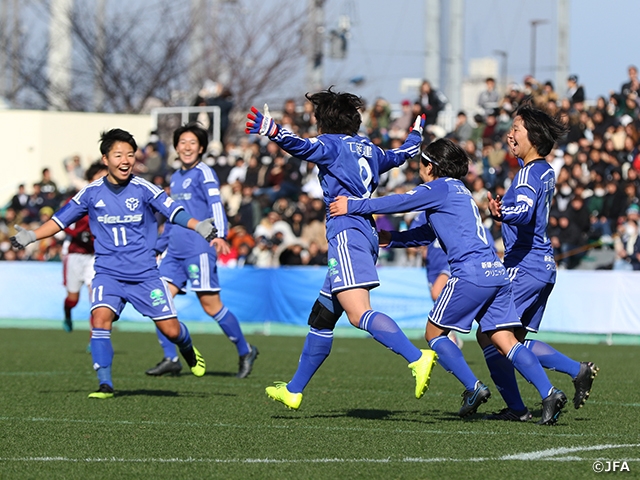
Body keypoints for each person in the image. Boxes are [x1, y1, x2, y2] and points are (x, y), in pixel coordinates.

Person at [330, 138, 567, 425]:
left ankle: (473, 387)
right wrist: (392, 238)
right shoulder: (459, 190)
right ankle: (548, 393)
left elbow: (402, 201)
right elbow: (426, 235)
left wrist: (353, 205)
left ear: (430, 166)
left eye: (421, 162)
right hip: (495, 272)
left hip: (470, 273)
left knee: (433, 334)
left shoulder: (438, 188)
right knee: (505, 340)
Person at [245, 87, 437, 410]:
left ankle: (417, 357)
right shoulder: (369, 149)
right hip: (364, 232)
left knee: (358, 312)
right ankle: (294, 390)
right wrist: (416, 133)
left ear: (324, 123)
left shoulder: (330, 144)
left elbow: (302, 147)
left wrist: (271, 129)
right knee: (322, 317)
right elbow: (403, 154)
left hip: (346, 232)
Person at [10, 128, 217, 399]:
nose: (125, 160)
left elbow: (173, 211)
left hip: (144, 275)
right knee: (100, 319)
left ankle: (187, 348)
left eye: (130, 155)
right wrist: (30, 235)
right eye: (118, 154)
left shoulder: (144, 188)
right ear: (105, 159)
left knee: (172, 330)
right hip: (108, 274)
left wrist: (197, 225)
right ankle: (105, 384)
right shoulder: (91, 193)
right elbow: (60, 220)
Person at [481, 105, 598, 421]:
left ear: (533, 136)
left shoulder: (529, 172)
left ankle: (539, 399)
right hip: (541, 265)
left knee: (491, 333)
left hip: (525, 265)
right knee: (514, 341)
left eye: (516, 128)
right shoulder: (543, 169)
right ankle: (577, 370)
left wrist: (504, 213)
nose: (510, 134)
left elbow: (525, 209)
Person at [147, 122, 259, 378]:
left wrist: (219, 235)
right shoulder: (175, 177)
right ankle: (171, 357)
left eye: (192, 143)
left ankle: (245, 350)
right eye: (182, 142)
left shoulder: (204, 173)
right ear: (176, 147)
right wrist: (159, 247)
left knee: (211, 307)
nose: (187, 147)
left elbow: (216, 204)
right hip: (173, 251)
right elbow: (173, 217)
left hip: (198, 249)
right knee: (158, 301)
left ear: (201, 149)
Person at [61, 161, 107, 335]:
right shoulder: (77, 199)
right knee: (73, 299)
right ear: (90, 180)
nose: (103, 181)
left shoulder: (111, 201)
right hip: (75, 253)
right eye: (99, 177)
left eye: (105, 177)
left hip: (96, 255)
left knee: (95, 297)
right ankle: (67, 312)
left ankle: (94, 337)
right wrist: (77, 234)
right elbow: (61, 221)